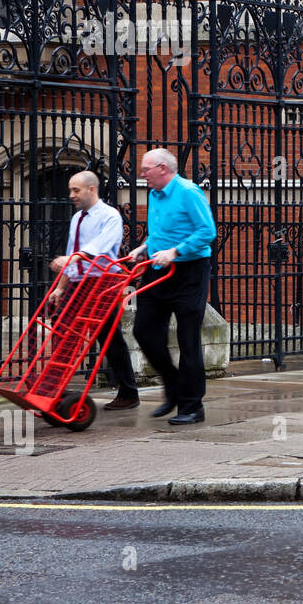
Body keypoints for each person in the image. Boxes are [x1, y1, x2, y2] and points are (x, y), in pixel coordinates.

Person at [128, 149, 217, 425]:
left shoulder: (188, 192)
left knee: (188, 339)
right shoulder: (155, 193)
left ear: (163, 169)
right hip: (158, 268)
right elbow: (161, 232)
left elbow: (207, 231)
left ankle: (192, 406)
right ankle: (174, 386)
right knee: (143, 330)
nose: (142, 175)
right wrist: (145, 247)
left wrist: (175, 252)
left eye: (146, 169)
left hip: (189, 272)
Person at [49, 171, 139, 409]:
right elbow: (73, 253)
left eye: (76, 190)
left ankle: (129, 393)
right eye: (70, 190)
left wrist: (71, 259)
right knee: (61, 326)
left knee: (109, 336)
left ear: (91, 189)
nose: (71, 195)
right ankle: (56, 383)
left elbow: (99, 248)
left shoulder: (110, 216)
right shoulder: (77, 218)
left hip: (103, 282)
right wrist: (60, 288)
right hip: (80, 282)